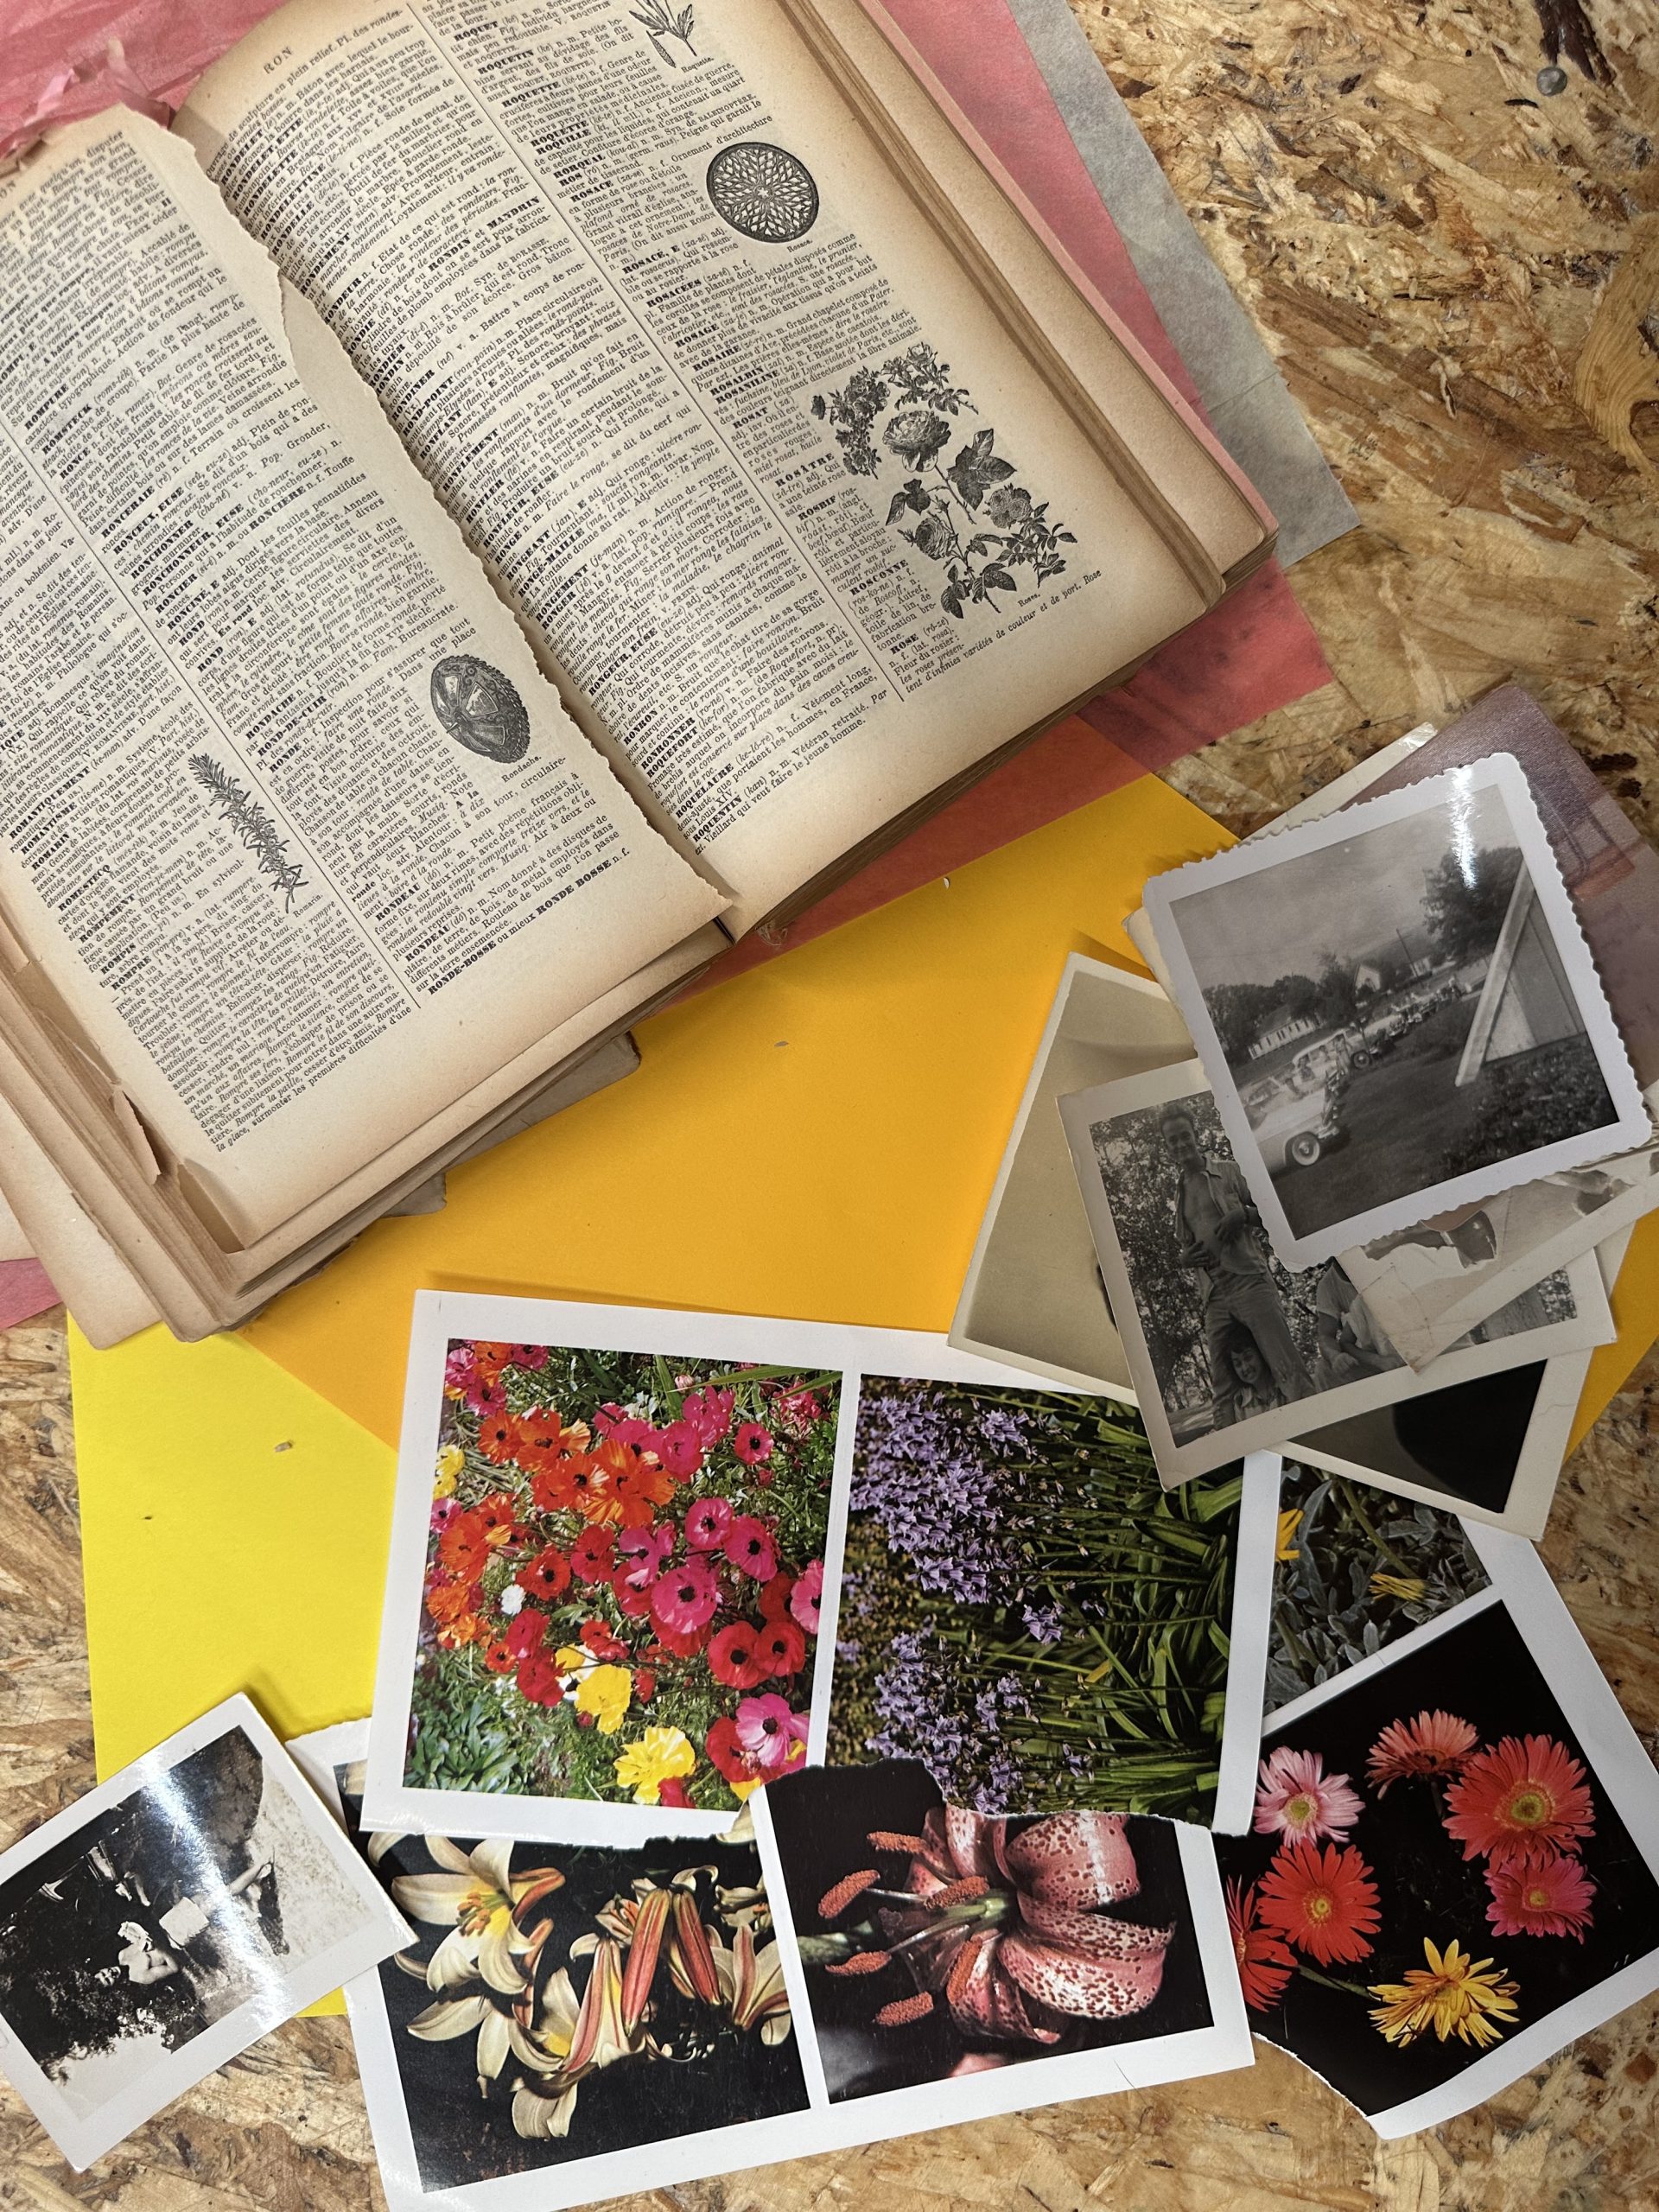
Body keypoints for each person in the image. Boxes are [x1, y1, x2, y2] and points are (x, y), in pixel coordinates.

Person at [1160, 1103, 1313, 1426]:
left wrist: (1243, 1214)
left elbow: (1278, 1214)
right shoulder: (1179, 1195)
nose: (1180, 1144)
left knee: (1285, 1365)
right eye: (1172, 1140)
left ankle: (1318, 1430)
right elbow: (1186, 1248)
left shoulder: (1229, 1172)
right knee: (1223, 1385)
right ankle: (1232, 1445)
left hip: (1248, 1282)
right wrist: (1183, 1259)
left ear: (1195, 1135)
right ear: (1168, 1148)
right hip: (1214, 1294)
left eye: (1184, 1136)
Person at [1312, 1261, 1397, 1388]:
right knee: (1323, 1370)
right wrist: (1336, 1357)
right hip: (1370, 1358)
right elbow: (1328, 1336)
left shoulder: (1385, 1265)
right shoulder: (1356, 1303)